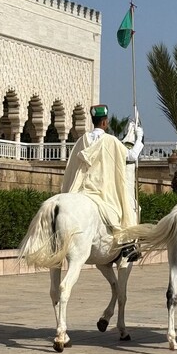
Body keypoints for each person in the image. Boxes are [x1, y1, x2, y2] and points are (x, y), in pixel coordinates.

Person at [61, 104, 144, 257]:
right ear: (105, 122)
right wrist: (139, 138)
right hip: (102, 190)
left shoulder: (82, 140)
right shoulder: (110, 141)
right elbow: (131, 156)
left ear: (93, 120)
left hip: (81, 188)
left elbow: (71, 166)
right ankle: (128, 244)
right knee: (127, 209)